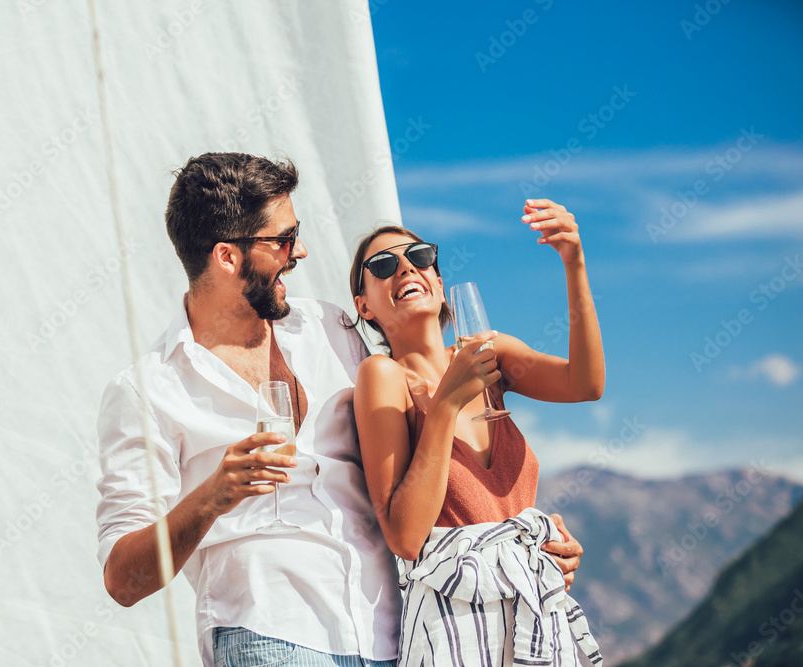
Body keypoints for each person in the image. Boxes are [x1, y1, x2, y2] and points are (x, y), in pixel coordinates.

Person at [95, 152, 405, 667]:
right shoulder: (146, 391)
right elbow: (123, 580)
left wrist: (508, 527)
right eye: (283, 239)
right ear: (226, 257)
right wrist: (215, 494)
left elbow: (406, 453)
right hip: (267, 635)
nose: (300, 250)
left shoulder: (333, 330)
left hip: (391, 632)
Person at [348, 201, 604, 666]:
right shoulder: (382, 376)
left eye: (421, 257)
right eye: (383, 265)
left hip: (532, 610)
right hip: (455, 624)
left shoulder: (490, 354)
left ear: (440, 284)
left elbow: (586, 384)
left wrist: (574, 261)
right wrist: (445, 403)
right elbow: (406, 536)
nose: (406, 266)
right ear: (364, 306)